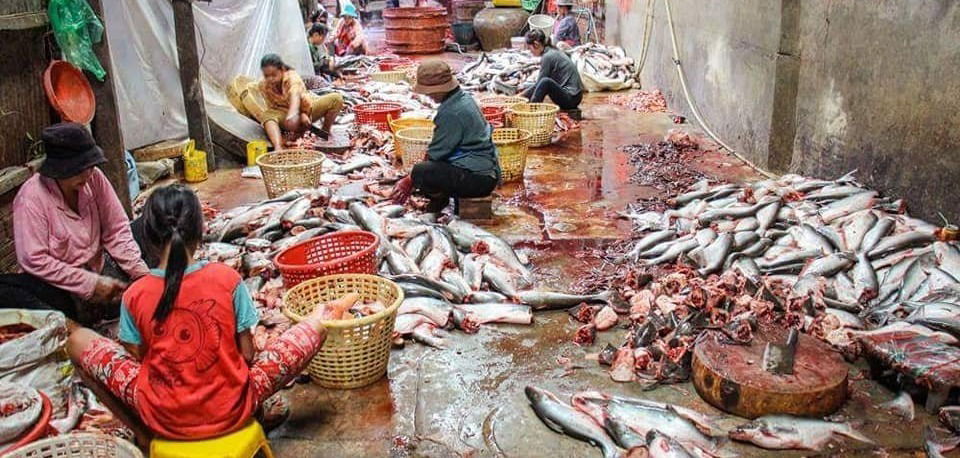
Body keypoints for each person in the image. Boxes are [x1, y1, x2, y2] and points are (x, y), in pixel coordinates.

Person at [66, 184, 334, 441]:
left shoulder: (135, 294)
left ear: (147, 235)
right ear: (200, 230)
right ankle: (257, 415)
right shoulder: (227, 279)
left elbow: (139, 357)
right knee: (317, 324)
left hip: (163, 418)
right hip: (232, 411)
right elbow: (248, 355)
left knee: (77, 340)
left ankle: (144, 436)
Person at [0, 123, 149, 325]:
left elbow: (116, 228)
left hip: (101, 268)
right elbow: (34, 259)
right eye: (80, 169)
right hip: (61, 288)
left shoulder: (94, 177)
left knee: (155, 220)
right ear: (59, 171)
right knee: (8, 290)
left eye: (90, 167)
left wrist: (140, 273)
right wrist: (90, 284)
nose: (88, 174)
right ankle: (77, 324)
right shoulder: (31, 199)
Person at [391, 61, 501, 213]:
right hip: (486, 171)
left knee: (421, 171)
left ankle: (439, 199)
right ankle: (440, 198)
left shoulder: (451, 112)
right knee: (424, 171)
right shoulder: (463, 98)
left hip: (479, 179)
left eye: (429, 92)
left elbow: (435, 155)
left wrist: (409, 180)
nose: (428, 96)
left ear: (439, 89)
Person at [257, 53, 344, 150]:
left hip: (306, 111)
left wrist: (302, 113)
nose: (270, 79)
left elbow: (298, 98)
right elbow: (273, 107)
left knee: (336, 99)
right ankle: (278, 147)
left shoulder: (292, 79)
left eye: (274, 75)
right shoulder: (263, 85)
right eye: (267, 76)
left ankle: (324, 132)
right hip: (286, 116)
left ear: (281, 70)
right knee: (267, 115)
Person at [521, 29, 584, 114]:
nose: (530, 51)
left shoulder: (548, 56)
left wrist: (521, 97)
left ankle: (531, 111)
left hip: (571, 98)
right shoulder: (552, 51)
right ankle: (529, 106)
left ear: (536, 44)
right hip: (575, 96)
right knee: (543, 82)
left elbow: (539, 84)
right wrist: (522, 96)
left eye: (529, 48)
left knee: (545, 82)